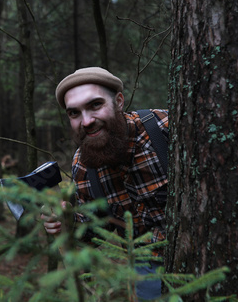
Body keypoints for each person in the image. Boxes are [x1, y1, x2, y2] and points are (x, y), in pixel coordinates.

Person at [42, 67, 168, 300]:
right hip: (143, 272)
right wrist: (64, 222)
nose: (86, 121)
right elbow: (89, 234)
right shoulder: (83, 165)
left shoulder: (163, 128)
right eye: (74, 113)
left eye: (95, 105)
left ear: (119, 102)